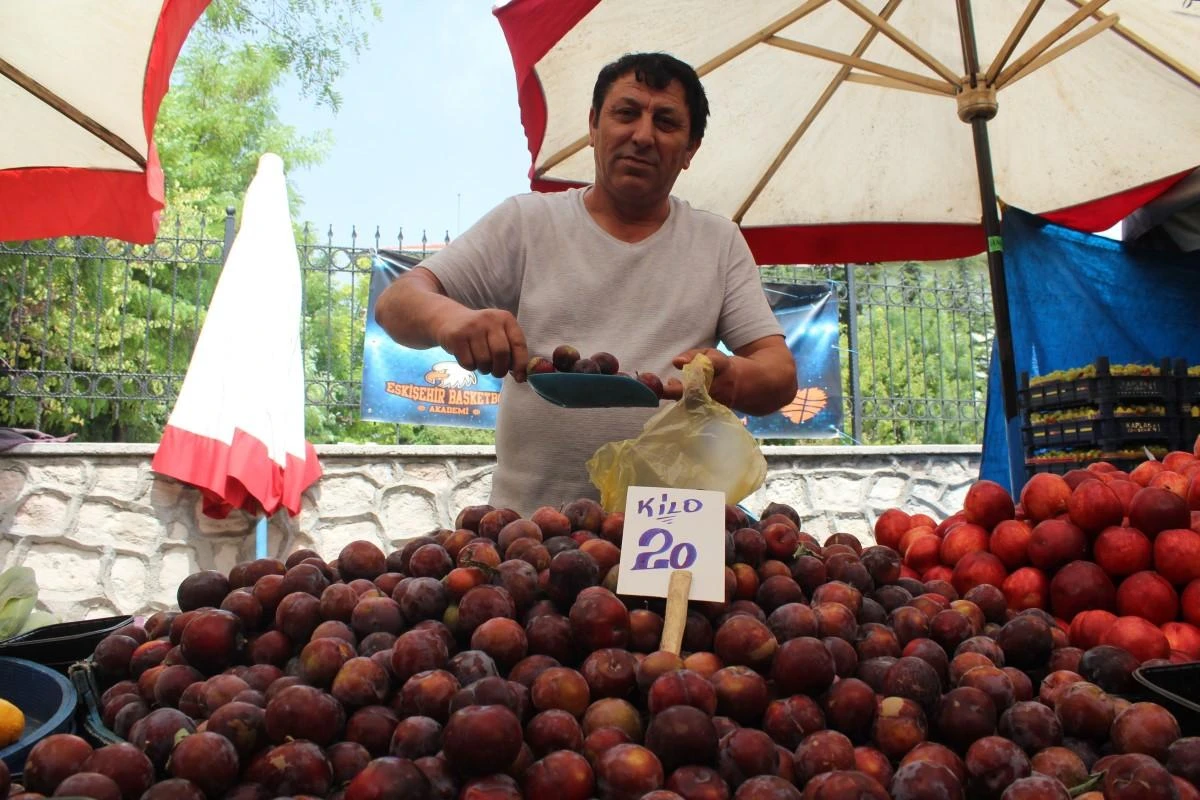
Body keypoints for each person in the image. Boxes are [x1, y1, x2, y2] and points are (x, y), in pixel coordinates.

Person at [375, 52, 796, 515]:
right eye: (626, 113)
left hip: (666, 535)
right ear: (594, 126)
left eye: (666, 122)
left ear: (691, 148)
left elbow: (779, 374)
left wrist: (735, 377)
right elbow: (397, 303)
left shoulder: (718, 242)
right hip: (527, 537)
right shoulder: (528, 221)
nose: (642, 135)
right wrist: (450, 319)